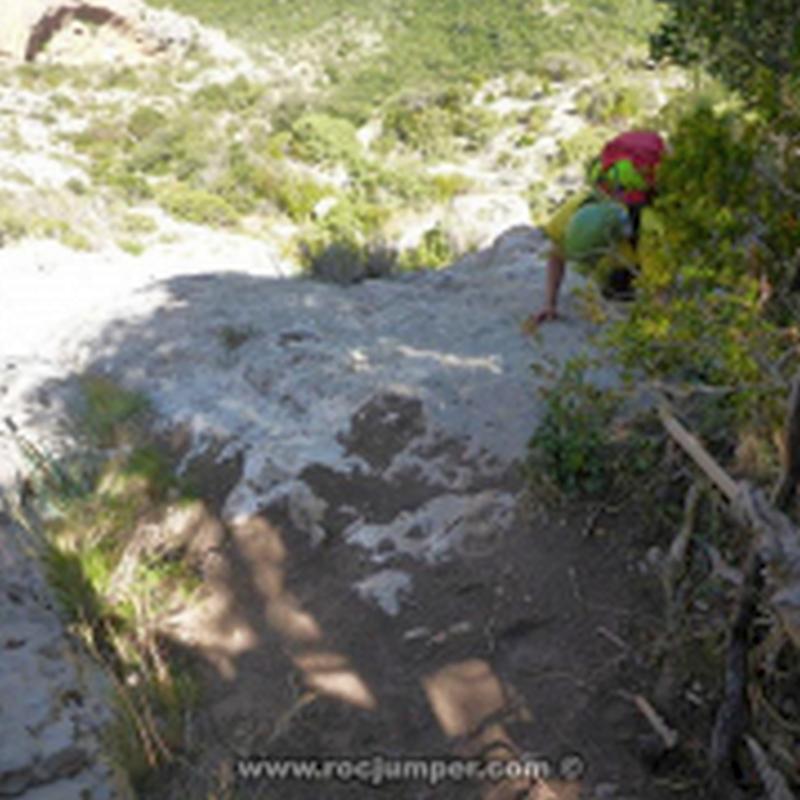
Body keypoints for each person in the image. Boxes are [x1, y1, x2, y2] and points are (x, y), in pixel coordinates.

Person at [529, 130, 666, 327]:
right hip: (622, 265)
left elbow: (659, 289)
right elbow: (556, 254)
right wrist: (549, 304)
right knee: (616, 285)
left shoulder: (648, 229)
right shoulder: (576, 210)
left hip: (635, 261)